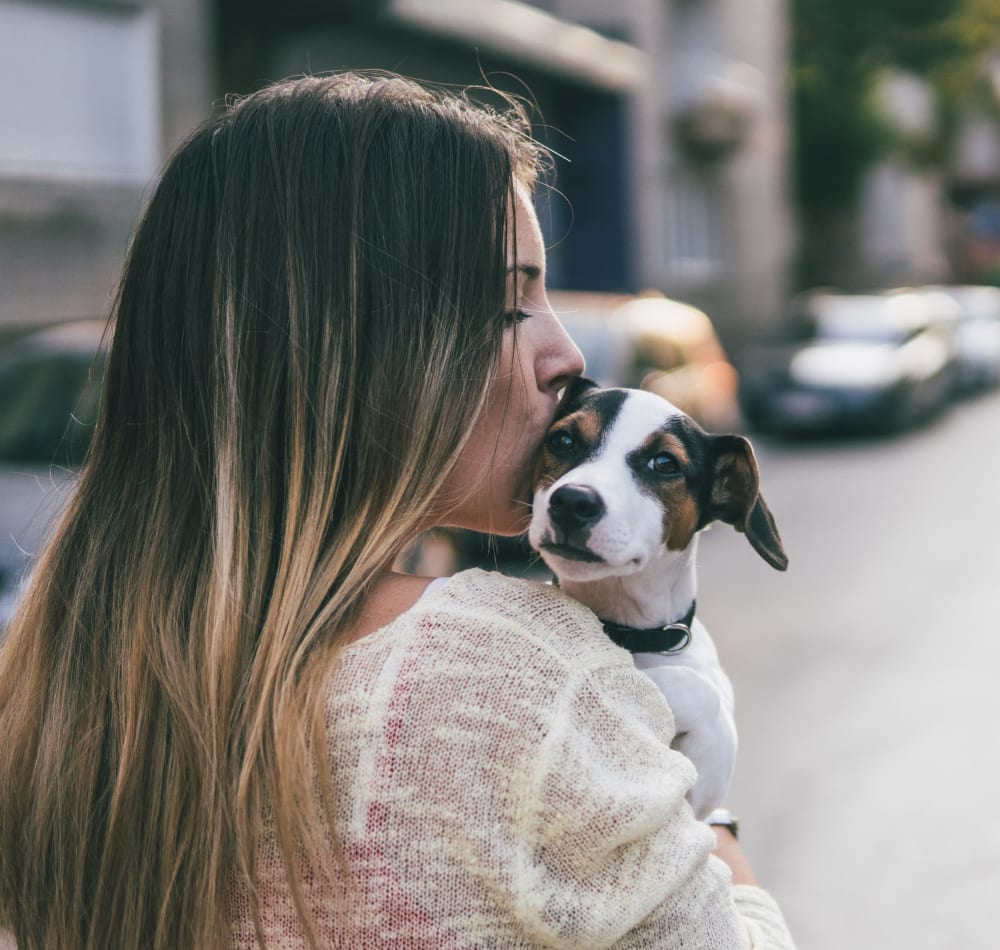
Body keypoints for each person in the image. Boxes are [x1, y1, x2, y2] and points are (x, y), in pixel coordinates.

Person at [0, 72, 794, 949]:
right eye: (511, 301)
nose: (564, 353)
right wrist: (712, 832)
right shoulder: (519, 676)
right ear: (363, 355)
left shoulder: (49, 672)